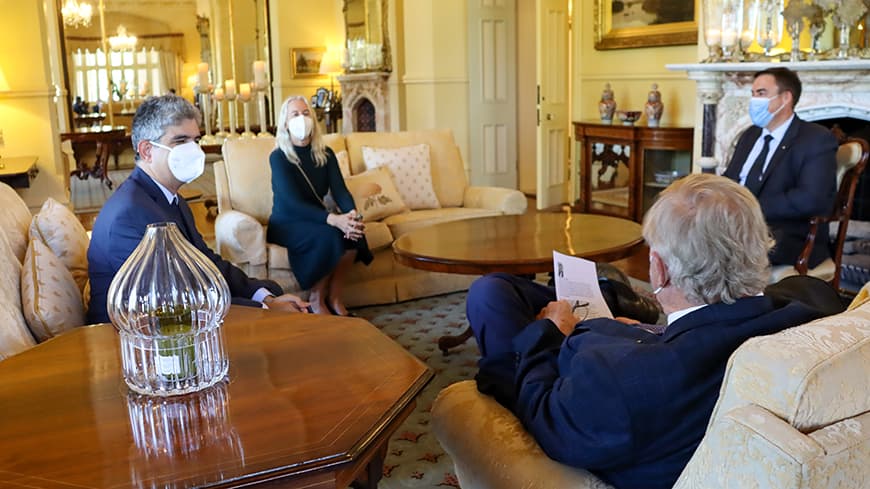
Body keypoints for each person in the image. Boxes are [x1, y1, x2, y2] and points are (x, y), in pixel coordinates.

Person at [466, 174, 835, 489]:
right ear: (757, 248)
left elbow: (546, 415)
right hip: (654, 349)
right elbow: (699, 343)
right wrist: (649, 333)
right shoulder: (815, 304)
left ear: (658, 270)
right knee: (501, 291)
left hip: (577, 384)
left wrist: (548, 332)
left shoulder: (624, 380)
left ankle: (614, 294)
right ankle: (618, 296)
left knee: (491, 295)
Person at [87, 94, 308, 324]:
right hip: (130, 335)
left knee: (278, 297)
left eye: (195, 140)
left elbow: (206, 263)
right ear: (147, 151)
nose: (193, 150)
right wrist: (264, 308)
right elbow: (171, 301)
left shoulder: (173, 200)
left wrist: (263, 296)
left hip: (180, 324)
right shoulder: (128, 214)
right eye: (180, 141)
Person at [267, 95, 373, 316]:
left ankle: (335, 298)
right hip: (288, 222)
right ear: (285, 123)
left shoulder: (326, 154)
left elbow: (340, 191)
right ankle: (316, 299)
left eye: (306, 113)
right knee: (330, 235)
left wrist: (352, 216)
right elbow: (293, 203)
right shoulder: (279, 157)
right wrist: (334, 220)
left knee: (354, 234)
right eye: (295, 114)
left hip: (317, 218)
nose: (302, 118)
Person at [723, 67, 838, 269]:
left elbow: (811, 199)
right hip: (737, 226)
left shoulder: (816, 138)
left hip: (787, 235)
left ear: (786, 98)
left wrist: (749, 209)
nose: (754, 101)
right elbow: (729, 180)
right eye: (753, 94)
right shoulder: (750, 135)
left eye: (761, 93)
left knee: (711, 249)